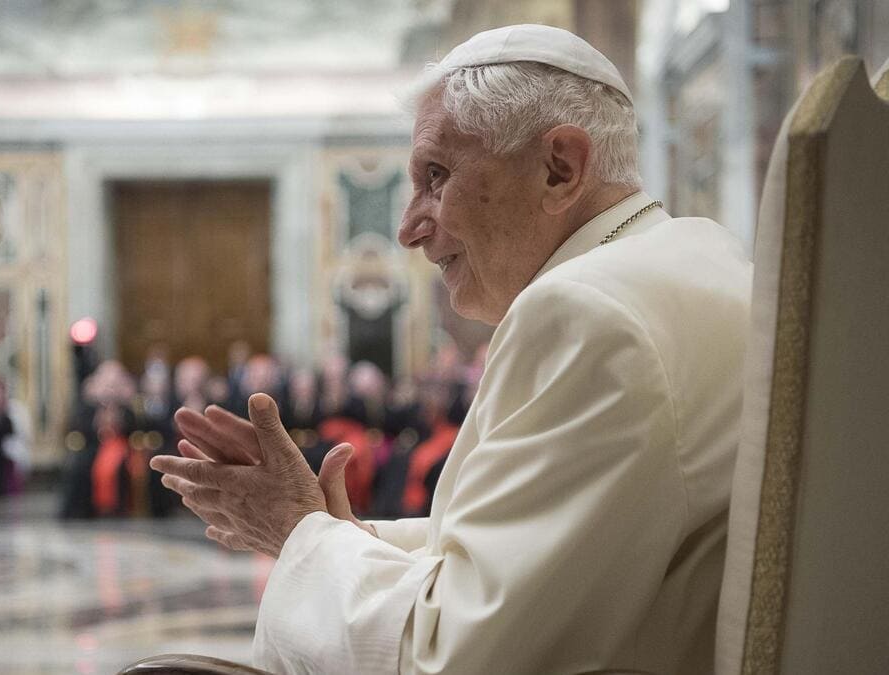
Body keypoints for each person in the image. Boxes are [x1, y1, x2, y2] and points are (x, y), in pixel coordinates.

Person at [152, 24, 751, 674]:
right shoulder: (698, 255)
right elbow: (524, 554)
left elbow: (455, 655)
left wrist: (299, 534)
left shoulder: (588, 315)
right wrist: (341, 535)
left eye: (436, 176)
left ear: (560, 168)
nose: (409, 227)